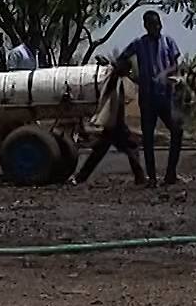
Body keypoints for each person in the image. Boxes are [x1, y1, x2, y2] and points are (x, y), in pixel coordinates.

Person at [117, 10, 185, 186]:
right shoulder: (139, 44)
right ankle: (152, 178)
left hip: (166, 97)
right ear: (146, 26)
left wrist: (164, 74)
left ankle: (171, 173)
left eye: (159, 23)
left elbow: (175, 64)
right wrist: (131, 74)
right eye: (153, 24)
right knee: (148, 138)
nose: (157, 27)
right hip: (148, 98)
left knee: (177, 131)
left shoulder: (168, 41)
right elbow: (123, 58)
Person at [74, 57, 147, 186]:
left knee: (100, 152)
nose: (129, 72)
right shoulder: (117, 81)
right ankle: (140, 178)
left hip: (113, 125)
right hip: (117, 125)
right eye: (128, 69)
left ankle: (81, 177)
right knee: (130, 150)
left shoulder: (117, 81)